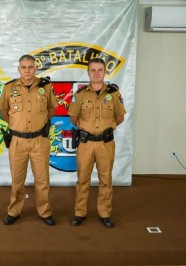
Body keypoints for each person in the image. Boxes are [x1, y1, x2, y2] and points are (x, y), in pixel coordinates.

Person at [0, 54, 58, 226]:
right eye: (23, 67)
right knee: (17, 179)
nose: (27, 70)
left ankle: (45, 211)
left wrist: (41, 121)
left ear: (35, 68)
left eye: (30, 67)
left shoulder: (45, 87)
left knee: (42, 179)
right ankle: (14, 211)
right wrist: (17, 125)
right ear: (19, 69)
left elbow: (52, 108)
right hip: (18, 141)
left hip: (39, 140)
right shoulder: (9, 87)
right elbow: (3, 111)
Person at [68, 58, 126, 228]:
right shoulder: (80, 95)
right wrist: (85, 128)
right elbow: (73, 117)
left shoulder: (114, 94)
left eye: (100, 70)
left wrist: (109, 128)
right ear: (88, 72)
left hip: (105, 144)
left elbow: (120, 117)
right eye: (93, 70)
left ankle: (105, 213)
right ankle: (80, 212)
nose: (96, 73)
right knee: (82, 179)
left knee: (105, 180)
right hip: (86, 144)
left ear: (104, 72)